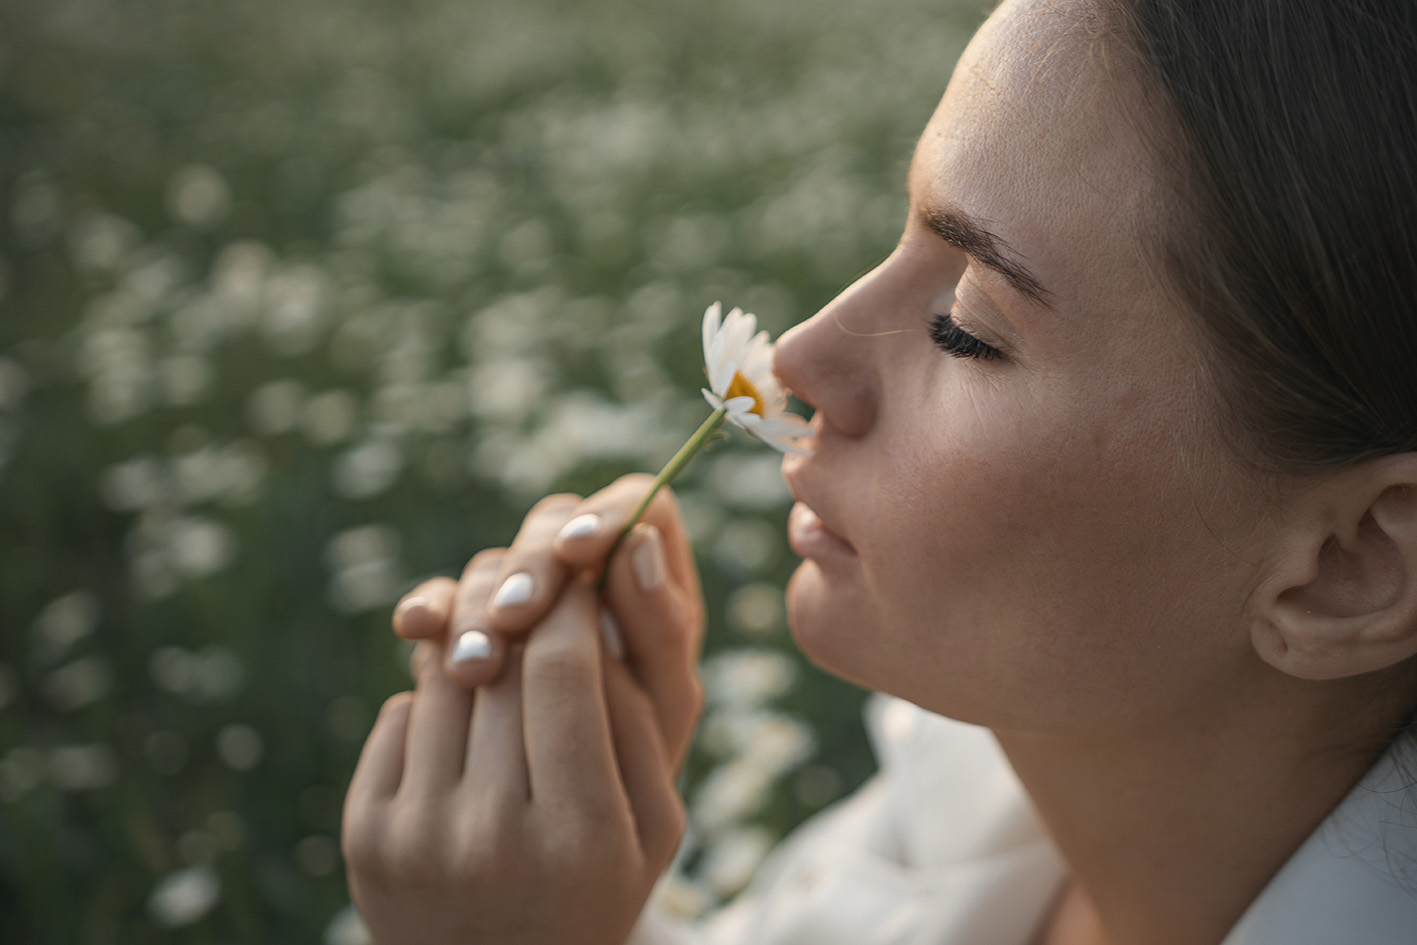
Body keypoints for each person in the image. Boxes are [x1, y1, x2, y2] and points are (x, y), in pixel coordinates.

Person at [340, 0, 1417, 942]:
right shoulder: (959, 789)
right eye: (899, 241)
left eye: (965, 328)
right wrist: (569, 906)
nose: (798, 360)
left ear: (1351, 565)